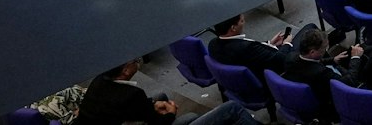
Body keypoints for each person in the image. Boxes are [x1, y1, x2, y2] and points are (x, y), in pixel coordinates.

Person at [76, 61, 257, 125]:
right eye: (135, 61)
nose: (138, 61)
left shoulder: (99, 81)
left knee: (165, 100)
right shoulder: (130, 94)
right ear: (125, 71)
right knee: (232, 108)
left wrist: (153, 105)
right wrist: (170, 113)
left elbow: (124, 109)